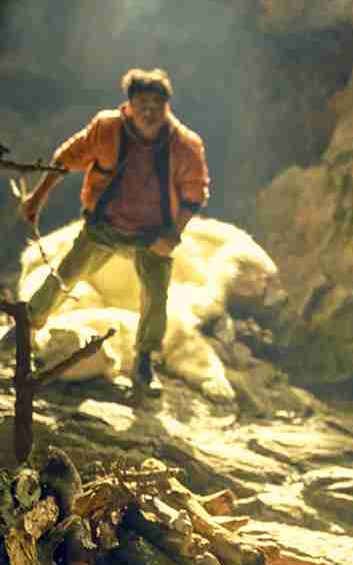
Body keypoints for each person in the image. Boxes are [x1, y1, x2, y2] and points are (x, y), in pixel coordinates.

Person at [17, 67, 210, 394]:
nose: (149, 112)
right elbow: (65, 159)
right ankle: (25, 329)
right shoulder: (106, 129)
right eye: (142, 104)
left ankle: (144, 360)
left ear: (167, 107)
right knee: (66, 275)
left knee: (155, 296)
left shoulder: (184, 145)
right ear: (129, 105)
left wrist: (171, 235)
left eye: (157, 105)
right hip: (105, 226)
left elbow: (195, 194)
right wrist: (36, 199)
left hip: (153, 234)